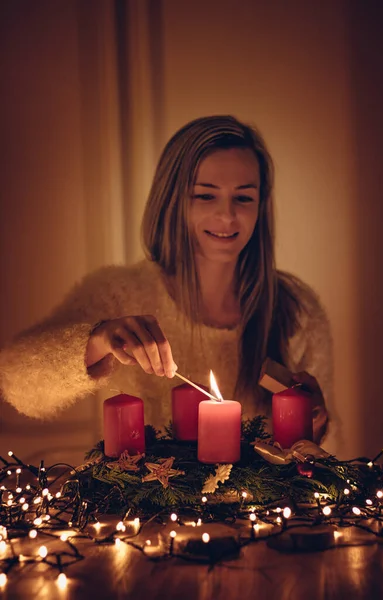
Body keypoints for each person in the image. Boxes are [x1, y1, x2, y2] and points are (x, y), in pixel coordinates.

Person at [0, 115, 334, 444]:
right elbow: (16, 382)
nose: (227, 216)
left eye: (243, 197)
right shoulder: (121, 293)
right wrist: (99, 340)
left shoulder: (297, 312)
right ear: (173, 200)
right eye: (205, 195)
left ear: (261, 205)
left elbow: (331, 457)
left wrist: (315, 427)